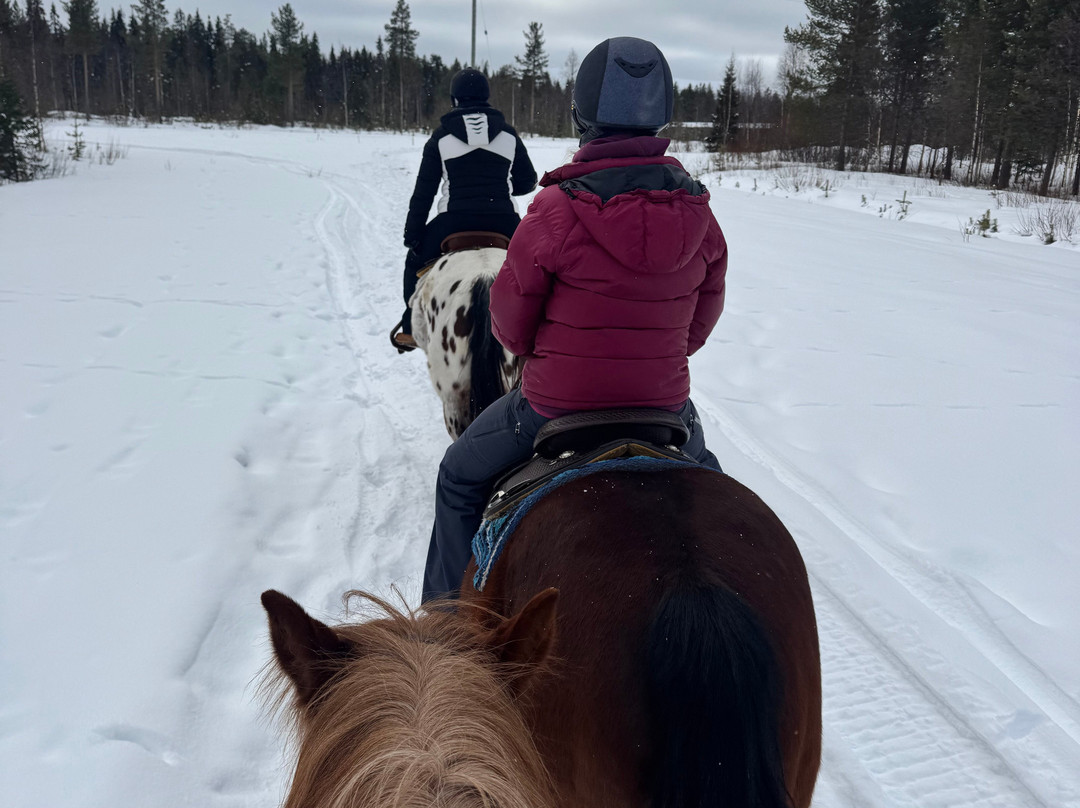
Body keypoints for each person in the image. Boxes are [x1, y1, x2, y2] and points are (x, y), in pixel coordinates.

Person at [422, 37, 728, 601]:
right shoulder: (701, 214)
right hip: (664, 408)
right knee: (721, 500)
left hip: (550, 410)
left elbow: (509, 328)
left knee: (458, 479)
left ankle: (441, 625)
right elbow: (697, 331)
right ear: (663, 115)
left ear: (581, 114)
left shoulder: (556, 209)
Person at [392, 68, 537, 351]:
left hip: (453, 222)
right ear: (486, 97)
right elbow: (527, 180)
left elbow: (424, 193)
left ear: (454, 99)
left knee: (414, 263)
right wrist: (501, 187)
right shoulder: (508, 135)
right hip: (504, 220)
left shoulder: (441, 137)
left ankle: (410, 327)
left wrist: (413, 237)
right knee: (536, 265)